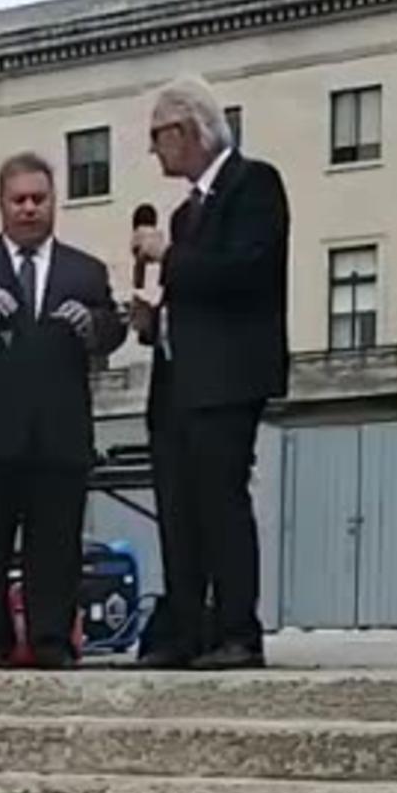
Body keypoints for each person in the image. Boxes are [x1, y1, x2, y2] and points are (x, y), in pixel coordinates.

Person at [0, 152, 125, 669]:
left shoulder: (84, 271)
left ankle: (52, 644)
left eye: (38, 199)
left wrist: (92, 324)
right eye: (18, 200)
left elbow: (114, 329)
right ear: (0, 204)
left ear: (53, 203)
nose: (28, 209)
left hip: (58, 436)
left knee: (56, 552)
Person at [131, 76, 290, 672]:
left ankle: (237, 630)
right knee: (177, 506)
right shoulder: (183, 213)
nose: (154, 151)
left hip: (227, 379)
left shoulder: (255, 184)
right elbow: (196, 288)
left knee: (221, 501)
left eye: (157, 136)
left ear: (187, 129)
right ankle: (184, 629)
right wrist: (154, 317)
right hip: (176, 381)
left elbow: (245, 271)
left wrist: (167, 257)